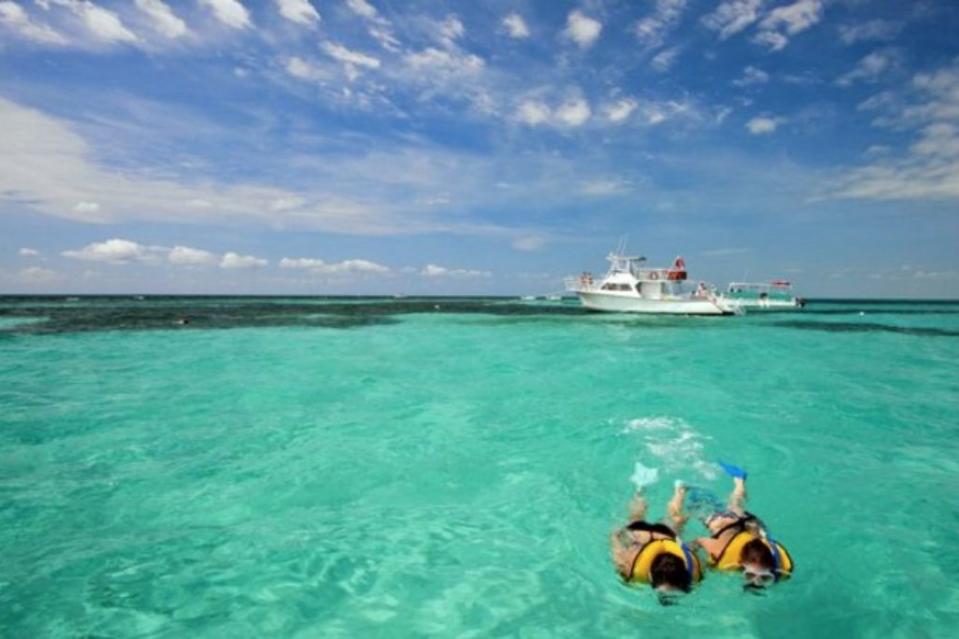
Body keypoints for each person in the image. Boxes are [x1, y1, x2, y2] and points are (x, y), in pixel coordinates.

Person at [693, 462, 793, 589]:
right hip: (728, 525)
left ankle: (739, 481)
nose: (756, 583)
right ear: (741, 563)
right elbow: (699, 540)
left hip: (754, 525)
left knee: (736, 507)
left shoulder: (781, 567)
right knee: (705, 514)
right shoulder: (719, 550)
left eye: (765, 578)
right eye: (749, 575)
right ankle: (738, 480)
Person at [610, 465, 703, 600]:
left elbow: (692, 547)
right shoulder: (628, 571)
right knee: (636, 518)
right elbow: (618, 552)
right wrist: (615, 536)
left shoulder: (694, 570)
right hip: (640, 535)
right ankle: (641, 488)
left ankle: (678, 489)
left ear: (650, 576)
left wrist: (615, 537)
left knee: (676, 519)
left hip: (663, 535)